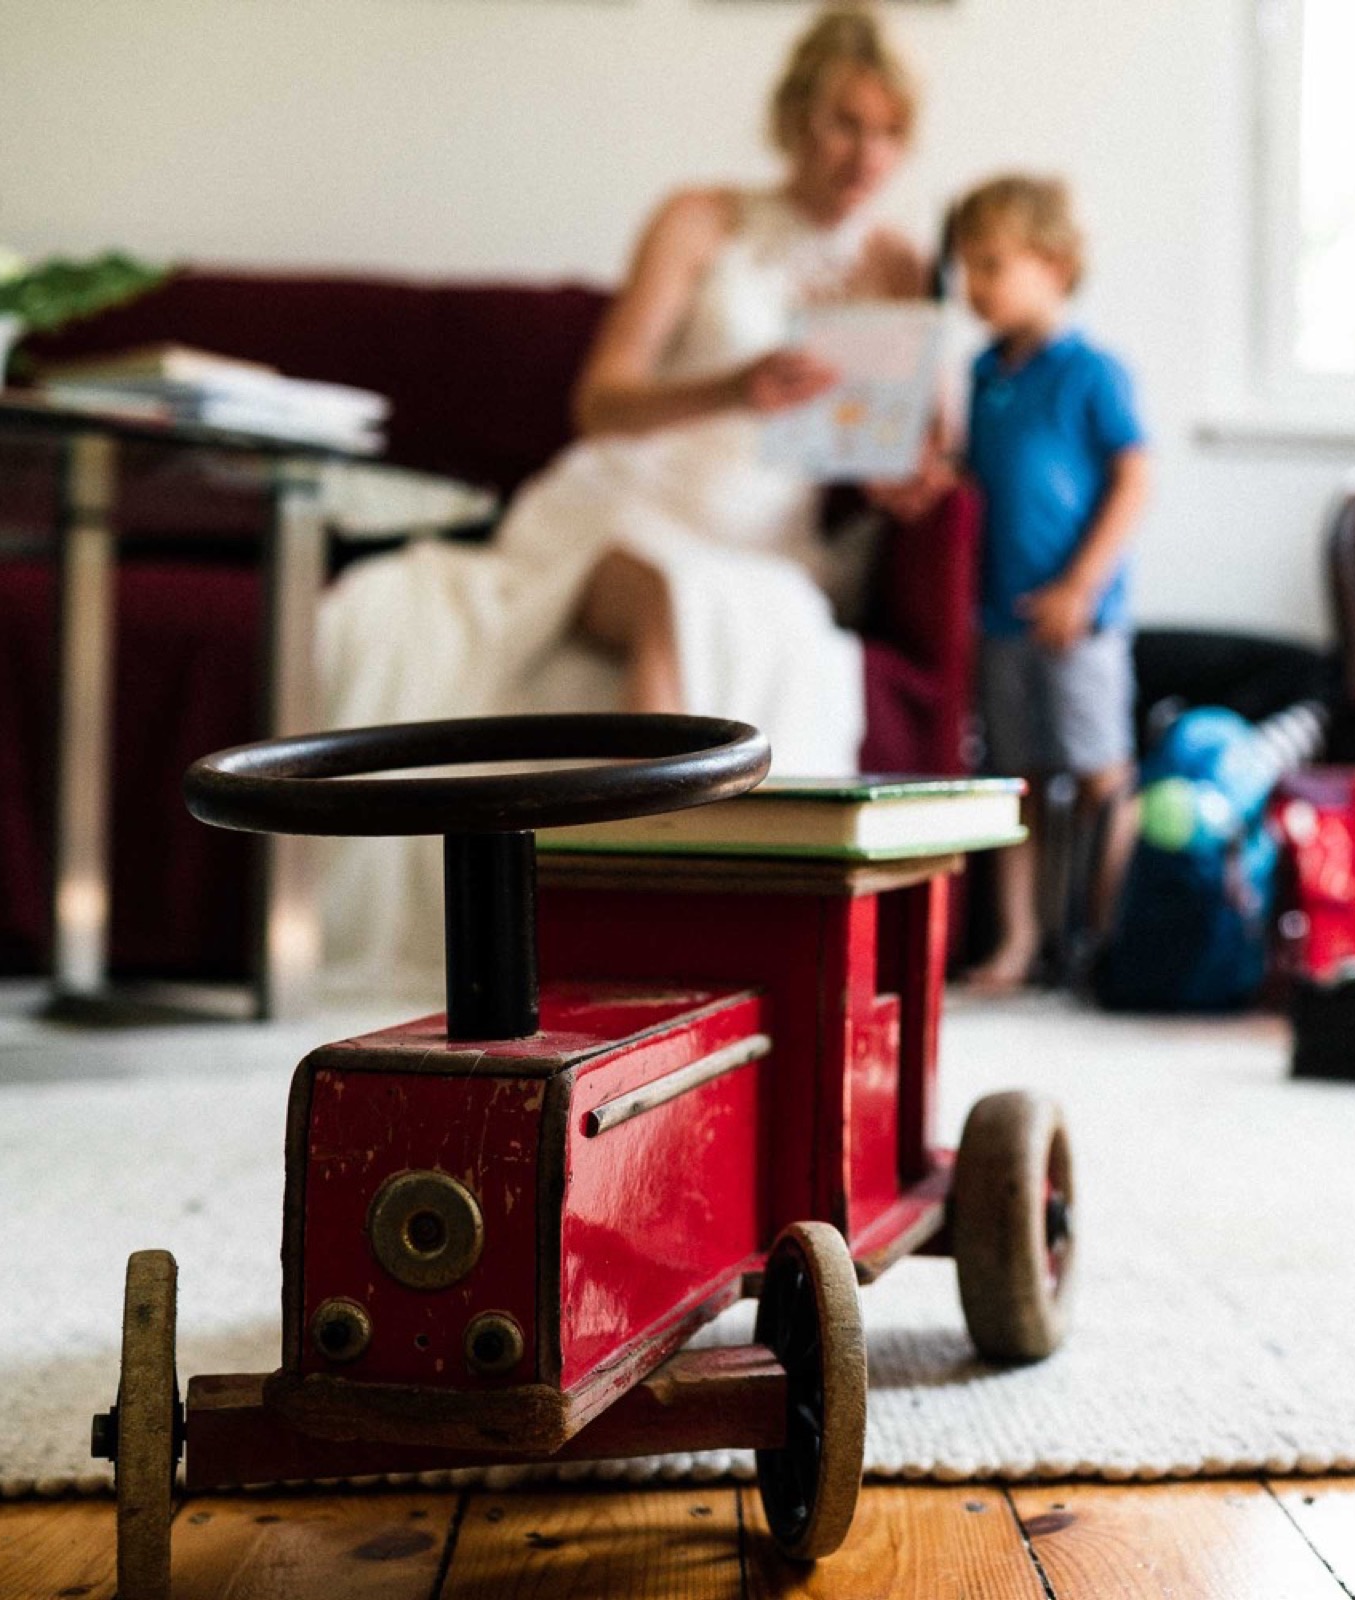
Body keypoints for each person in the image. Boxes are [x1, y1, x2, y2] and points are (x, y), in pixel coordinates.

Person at [315, 7, 934, 982]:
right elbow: (601, 400)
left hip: (764, 535)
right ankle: (635, 919)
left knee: (740, 603)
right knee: (670, 598)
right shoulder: (700, 218)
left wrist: (910, 475)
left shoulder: (898, 265)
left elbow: (896, 441)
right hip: (626, 504)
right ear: (793, 121)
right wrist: (733, 387)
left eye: (890, 131)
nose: (867, 153)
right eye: (844, 124)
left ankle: (686, 922)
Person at [945, 175, 1152, 989]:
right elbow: (978, 476)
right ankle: (1018, 943)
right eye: (966, 266)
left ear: (1056, 264)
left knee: (1102, 773)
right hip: (1002, 618)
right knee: (1017, 782)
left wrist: (1080, 587)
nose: (975, 286)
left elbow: (1135, 480)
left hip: (1079, 619)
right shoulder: (984, 374)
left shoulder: (1093, 372)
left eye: (993, 264)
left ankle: (1109, 938)